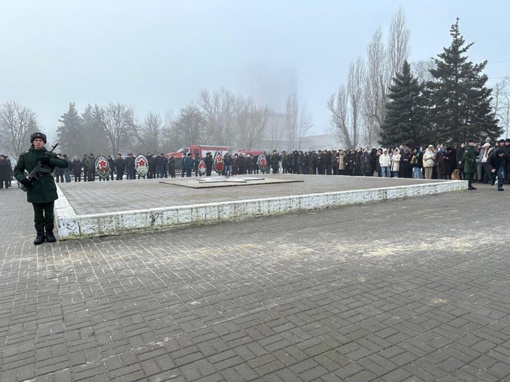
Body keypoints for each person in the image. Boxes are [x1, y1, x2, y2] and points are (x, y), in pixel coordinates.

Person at [14, 132, 68, 245]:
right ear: (33, 142)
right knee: (38, 213)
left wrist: (49, 160)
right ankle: (39, 235)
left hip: (48, 186)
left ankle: (49, 233)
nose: (38, 142)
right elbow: (17, 171)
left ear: (44, 142)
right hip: (34, 187)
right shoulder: (26, 155)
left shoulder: (49, 155)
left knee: (49, 213)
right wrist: (23, 179)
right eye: (36, 140)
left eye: (41, 141)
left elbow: (64, 164)